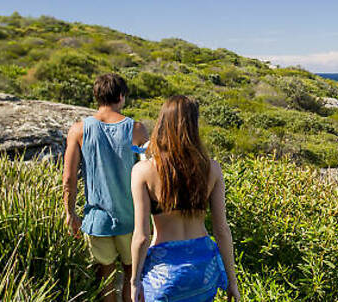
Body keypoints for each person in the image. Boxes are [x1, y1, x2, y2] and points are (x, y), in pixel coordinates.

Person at [130, 96, 240, 302]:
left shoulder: (143, 171)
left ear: (162, 123)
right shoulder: (211, 168)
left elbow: (142, 236)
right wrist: (232, 282)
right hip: (204, 269)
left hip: (165, 272)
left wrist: (134, 281)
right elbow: (222, 230)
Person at [63, 73, 149, 302]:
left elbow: (69, 178)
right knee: (134, 278)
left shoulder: (78, 130)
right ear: (121, 96)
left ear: (96, 96)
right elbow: (149, 174)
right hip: (132, 218)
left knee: (105, 278)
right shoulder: (137, 130)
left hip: (97, 219)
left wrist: (70, 212)